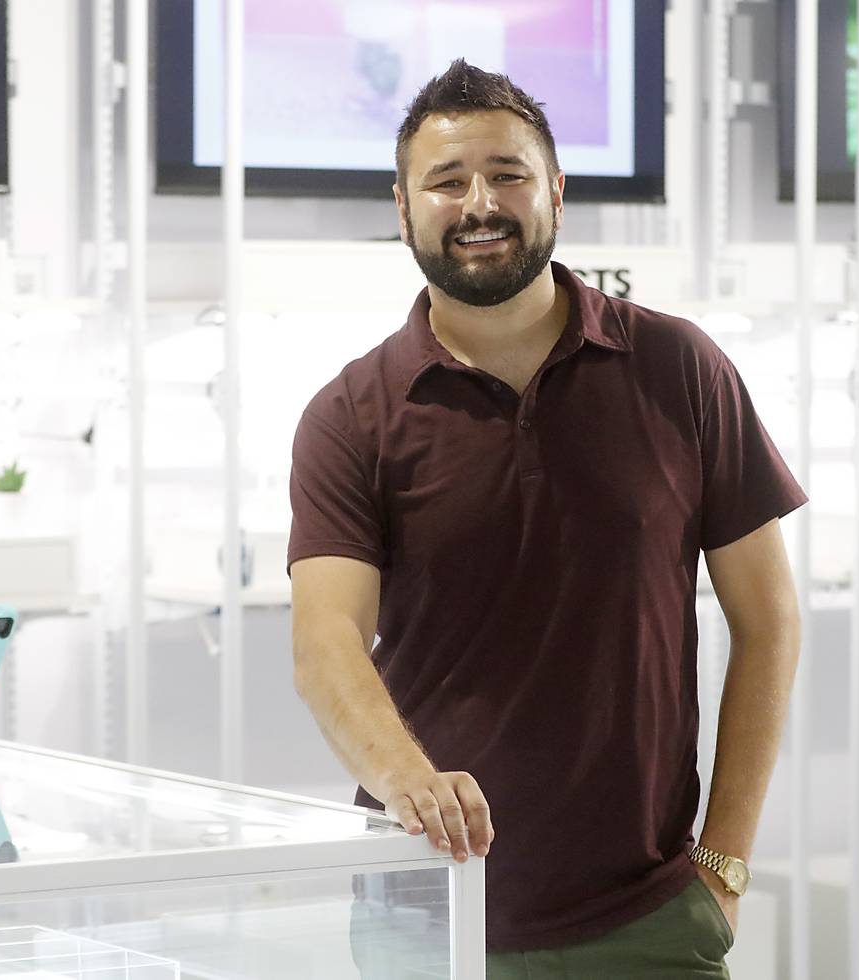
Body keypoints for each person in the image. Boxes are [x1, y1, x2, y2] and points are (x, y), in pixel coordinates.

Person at [288, 59, 806, 978]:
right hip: (424, 913)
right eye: (446, 182)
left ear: (556, 194)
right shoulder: (353, 414)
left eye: (508, 174)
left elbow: (769, 622)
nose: (479, 202)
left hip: (646, 919)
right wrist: (407, 780)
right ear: (404, 211)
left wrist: (723, 859)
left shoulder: (680, 369)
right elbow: (327, 638)